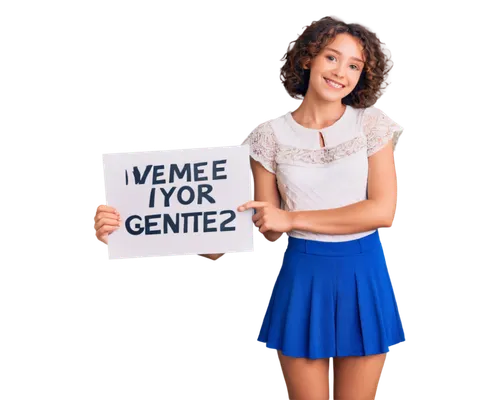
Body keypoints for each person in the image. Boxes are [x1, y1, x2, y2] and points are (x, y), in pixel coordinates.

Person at [235, 14, 408, 400]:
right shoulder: (268, 134)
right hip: (302, 275)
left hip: (364, 273)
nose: (340, 72)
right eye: (332, 57)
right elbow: (270, 226)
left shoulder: (372, 125)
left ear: (363, 74)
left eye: (354, 65)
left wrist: (291, 217)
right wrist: (129, 224)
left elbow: (382, 211)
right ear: (308, 58)